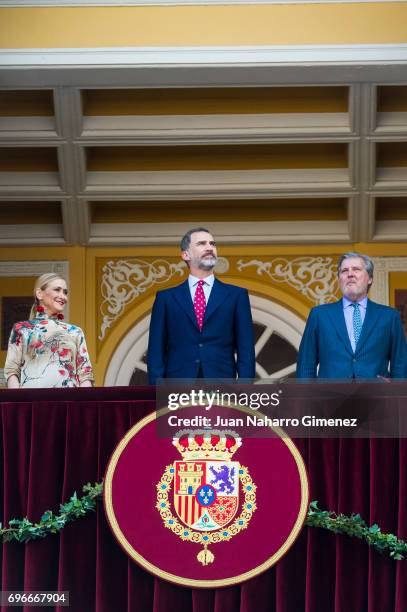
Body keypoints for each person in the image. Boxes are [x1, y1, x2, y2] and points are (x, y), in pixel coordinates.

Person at [147, 227, 255, 383]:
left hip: (223, 387)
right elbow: (156, 350)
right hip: (176, 389)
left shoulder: (237, 296)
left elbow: (246, 349)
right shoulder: (166, 298)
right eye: (201, 244)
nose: (209, 247)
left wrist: (245, 388)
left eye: (212, 244)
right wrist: (157, 390)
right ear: (185, 254)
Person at [296, 252, 406, 379]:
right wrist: (308, 397)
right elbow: (306, 363)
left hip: (376, 396)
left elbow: (400, 364)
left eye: (356, 269)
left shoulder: (389, 316)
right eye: (344, 271)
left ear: (370, 278)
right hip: (330, 396)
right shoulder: (319, 315)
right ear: (339, 279)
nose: (350, 274)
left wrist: (397, 396)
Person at [4, 273, 94, 388]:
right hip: (32, 402)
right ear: (39, 294)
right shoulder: (22, 329)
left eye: (65, 292)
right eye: (57, 290)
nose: (63, 296)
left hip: (69, 403)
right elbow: (12, 371)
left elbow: (85, 374)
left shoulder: (75, 332)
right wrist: (18, 403)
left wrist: (83, 404)